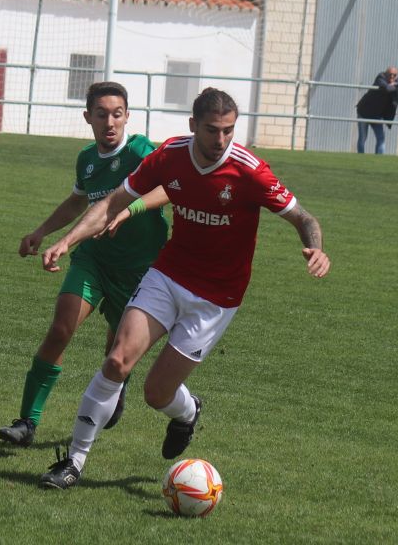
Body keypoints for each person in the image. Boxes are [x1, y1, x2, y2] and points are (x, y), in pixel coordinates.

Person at [36, 87, 331, 489]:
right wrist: (67, 241)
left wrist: (315, 247)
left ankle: (188, 412)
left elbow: (303, 217)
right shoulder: (170, 155)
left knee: (157, 393)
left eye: (229, 130)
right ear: (193, 126)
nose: (221, 140)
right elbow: (111, 202)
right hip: (168, 275)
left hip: (216, 298)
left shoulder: (248, 170)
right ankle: (74, 460)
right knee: (117, 361)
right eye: (212, 130)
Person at [0, 81, 170, 447]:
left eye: (118, 114)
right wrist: (42, 231)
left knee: (116, 352)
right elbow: (78, 202)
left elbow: (169, 187)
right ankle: (27, 421)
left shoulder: (141, 151)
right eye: (102, 114)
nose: (110, 122)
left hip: (139, 271)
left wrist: (132, 207)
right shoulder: (87, 159)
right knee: (61, 329)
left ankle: (117, 385)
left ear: (127, 117)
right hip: (93, 260)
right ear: (88, 116)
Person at [355, 66, 398, 154]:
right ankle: (360, 157)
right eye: (390, 75)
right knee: (363, 137)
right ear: (386, 74)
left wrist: (396, 84)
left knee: (381, 138)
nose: (392, 77)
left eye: (394, 75)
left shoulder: (396, 81)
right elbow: (388, 88)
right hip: (364, 112)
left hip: (377, 115)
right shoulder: (380, 77)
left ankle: (379, 160)